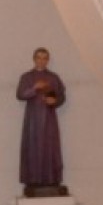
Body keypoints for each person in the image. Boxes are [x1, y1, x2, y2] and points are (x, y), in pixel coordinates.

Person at [16, 48, 66, 192]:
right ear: (34, 59)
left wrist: (55, 101)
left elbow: (61, 96)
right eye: (39, 57)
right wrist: (34, 88)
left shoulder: (53, 77)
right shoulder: (26, 77)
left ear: (47, 60)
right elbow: (20, 95)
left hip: (49, 119)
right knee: (33, 147)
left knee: (50, 148)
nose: (41, 61)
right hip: (33, 120)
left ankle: (51, 179)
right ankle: (33, 180)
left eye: (45, 58)